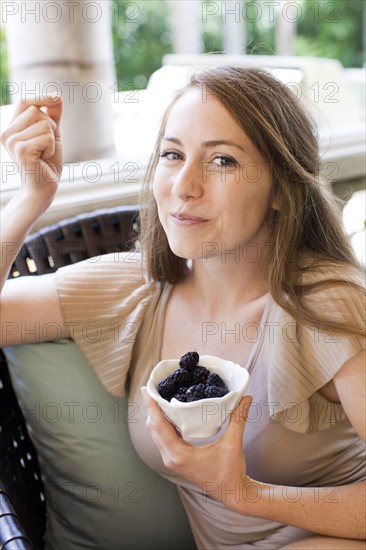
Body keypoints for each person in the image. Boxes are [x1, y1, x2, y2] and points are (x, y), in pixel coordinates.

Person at [1, 66, 365, 549]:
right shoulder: (134, 289)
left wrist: (242, 493)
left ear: (281, 189)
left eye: (223, 161)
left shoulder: (329, 305)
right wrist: (31, 198)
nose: (184, 185)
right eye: (172, 155)